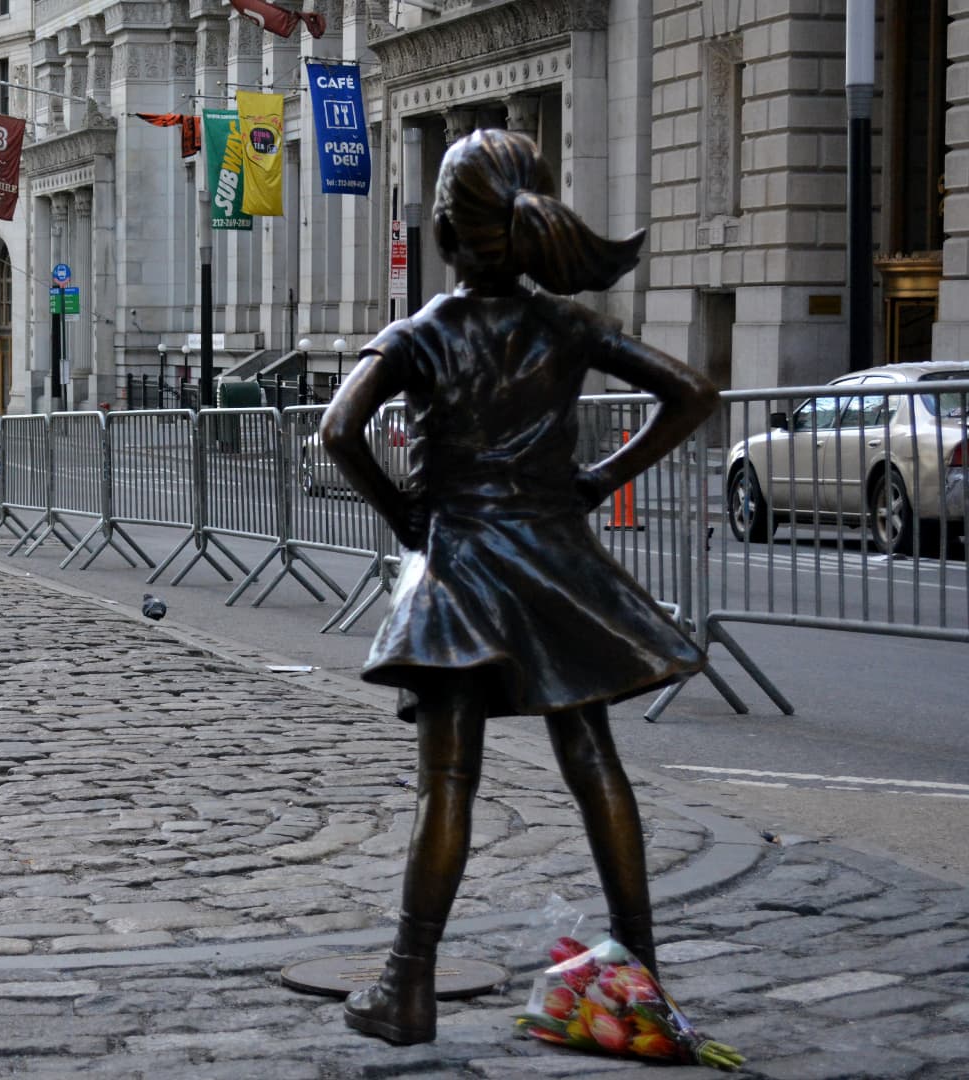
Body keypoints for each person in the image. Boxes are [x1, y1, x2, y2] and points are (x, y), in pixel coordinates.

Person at [322, 128, 718, 1046]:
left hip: (460, 566)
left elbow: (340, 432)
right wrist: (596, 482)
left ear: (449, 240)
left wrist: (405, 518)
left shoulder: (421, 334)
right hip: (552, 555)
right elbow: (693, 393)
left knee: (448, 783)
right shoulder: (566, 326)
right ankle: (639, 970)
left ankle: (407, 986)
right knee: (592, 759)